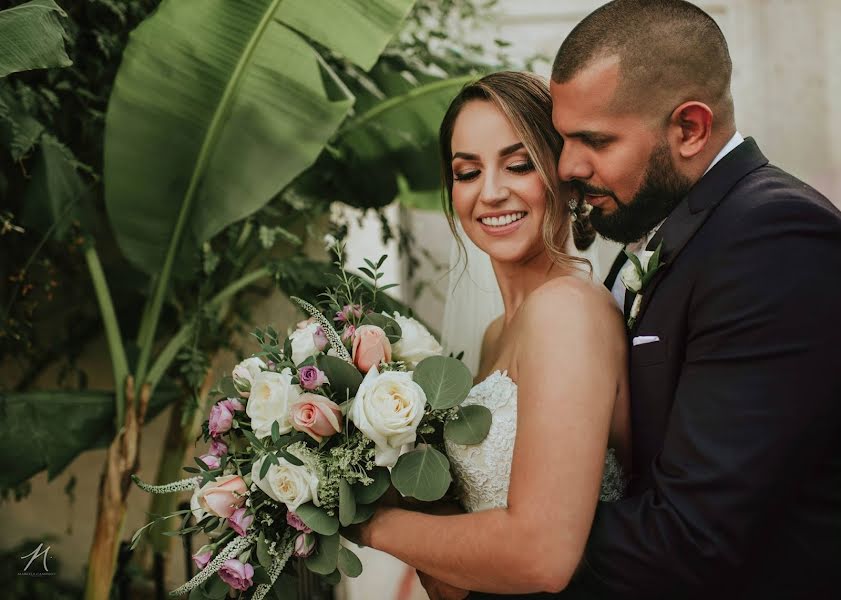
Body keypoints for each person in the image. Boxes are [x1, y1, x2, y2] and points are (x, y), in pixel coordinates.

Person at [360, 1, 841, 599]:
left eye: (591, 140)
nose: (567, 166)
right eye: (561, 141)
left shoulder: (773, 236)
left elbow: (694, 531)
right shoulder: (652, 248)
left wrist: (463, 545)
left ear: (689, 128)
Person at [353, 70, 632, 597]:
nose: (492, 193)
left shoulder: (568, 311)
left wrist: (367, 522)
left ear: (562, 172)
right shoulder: (495, 333)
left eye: (519, 165)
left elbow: (541, 557)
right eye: (467, 172)